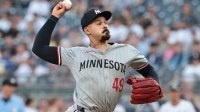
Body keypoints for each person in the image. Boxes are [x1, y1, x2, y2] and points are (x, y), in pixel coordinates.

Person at [32, 2, 161, 112]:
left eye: (105, 22)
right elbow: (39, 48)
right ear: (87, 30)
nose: (105, 25)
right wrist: (55, 17)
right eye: (98, 23)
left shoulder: (127, 51)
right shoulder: (76, 54)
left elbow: (149, 71)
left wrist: (155, 84)